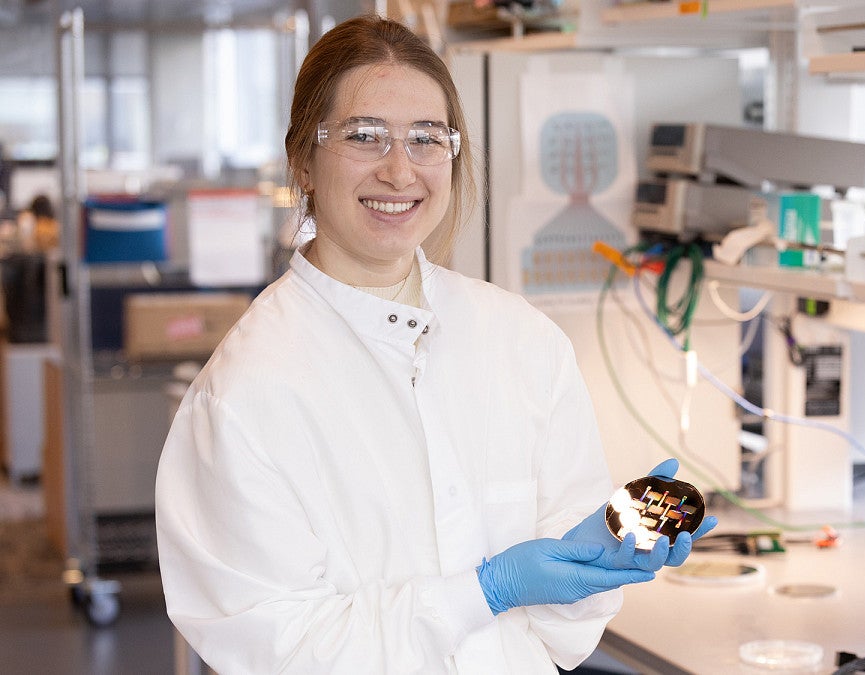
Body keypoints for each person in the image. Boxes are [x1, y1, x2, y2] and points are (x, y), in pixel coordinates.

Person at [154, 14, 716, 674]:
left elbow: (566, 636)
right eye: (366, 136)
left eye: (427, 138)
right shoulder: (244, 396)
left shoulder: (523, 342)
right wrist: (483, 591)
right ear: (304, 159)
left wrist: (590, 563)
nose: (400, 170)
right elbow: (280, 651)